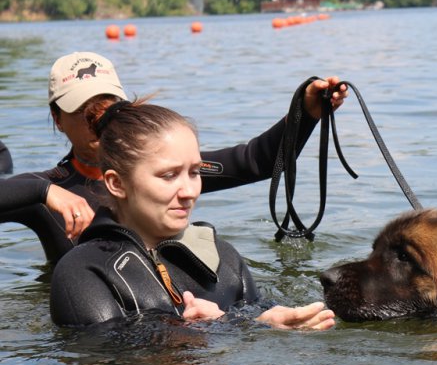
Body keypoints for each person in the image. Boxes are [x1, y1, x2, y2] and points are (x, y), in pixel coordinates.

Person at [0, 52, 347, 263]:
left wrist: (305, 113)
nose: (96, 117)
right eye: (82, 109)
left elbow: (258, 161)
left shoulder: (164, 174)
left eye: (106, 104)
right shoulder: (48, 190)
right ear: (58, 118)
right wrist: (42, 193)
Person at [50, 98, 335, 330]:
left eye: (195, 172)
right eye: (169, 175)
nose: (189, 191)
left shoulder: (224, 258)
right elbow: (105, 359)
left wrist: (280, 324)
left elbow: (256, 314)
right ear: (116, 183)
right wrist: (230, 325)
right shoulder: (82, 272)